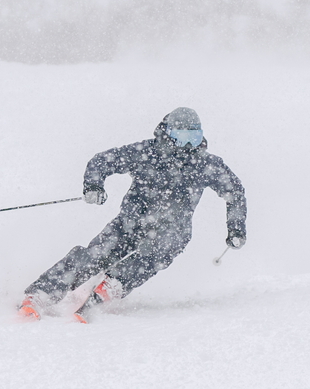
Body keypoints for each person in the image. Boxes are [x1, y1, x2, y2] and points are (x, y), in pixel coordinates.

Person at [18, 107, 247, 323]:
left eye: (193, 138)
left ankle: (111, 286)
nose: (187, 145)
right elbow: (102, 161)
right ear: (168, 133)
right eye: (181, 137)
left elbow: (235, 192)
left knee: (156, 252)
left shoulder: (206, 164)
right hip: (129, 224)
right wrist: (94, 186)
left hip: (173, 231)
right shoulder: (147, 152)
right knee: (94, 256)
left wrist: (236, 228)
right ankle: (41, 294)